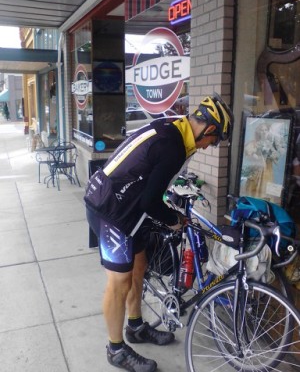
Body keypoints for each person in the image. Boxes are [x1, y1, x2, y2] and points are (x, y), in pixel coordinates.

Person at [84, 93, 234, 372]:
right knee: (120, 281)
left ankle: (136, 327)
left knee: (140, 265)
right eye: (215, 140)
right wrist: (174, 220)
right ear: (210, 129)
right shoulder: (173, 145)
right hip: (110, 209)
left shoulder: (176, 128)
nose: (211, 147)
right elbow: (150, 202)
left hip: (129, 209)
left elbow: (152, 177)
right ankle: (115, 350)